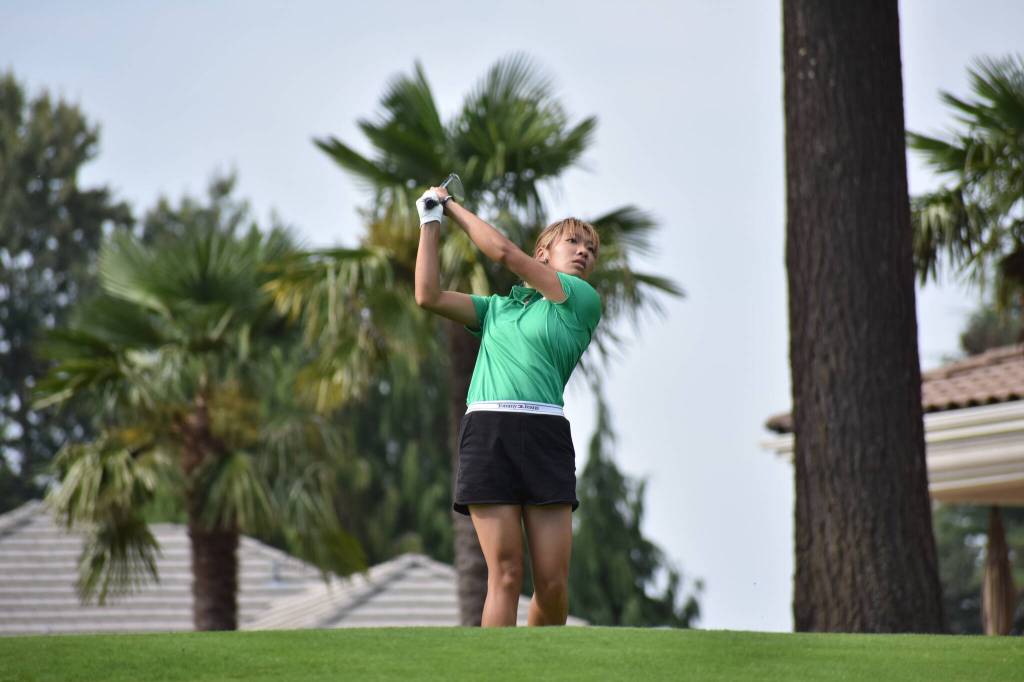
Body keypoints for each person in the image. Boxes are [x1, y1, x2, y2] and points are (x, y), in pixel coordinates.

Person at [414, 185, 601, 627]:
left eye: (591, 249)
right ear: (544, 253)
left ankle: (539, 669)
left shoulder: (579, 301)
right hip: (488, 433)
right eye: (572, 242)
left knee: (553, 585)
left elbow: (501, 253)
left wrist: (451, 204)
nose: (583, 252)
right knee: (506, 574)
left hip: (545, 435)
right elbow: (428, 296)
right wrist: (429, 222)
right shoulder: (496, 310)